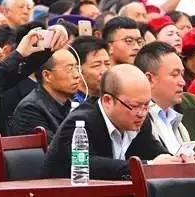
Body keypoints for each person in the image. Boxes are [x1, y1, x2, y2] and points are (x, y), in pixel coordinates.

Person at [43, 64, 184, 180]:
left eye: (146, 105)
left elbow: (155, 153)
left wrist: (176, 161)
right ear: (108, 101)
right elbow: (87, 165)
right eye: (134, 106)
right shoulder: (81, 123)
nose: (142, 113)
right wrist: (147, 165)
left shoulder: (140, 121)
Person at [8, 49, 80, 141]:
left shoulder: (72, 105)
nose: (77, 75)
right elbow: (55, 147)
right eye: (69, 69)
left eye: (77, 68)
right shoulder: (30, 109)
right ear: (47, 75)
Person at [134, 42, 190, 155]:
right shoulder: (136, 118)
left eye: (182, 74)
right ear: (149, 79)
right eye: (175, 74)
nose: (182, 82)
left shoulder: (176, 120)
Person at [71, 36, 111, 101]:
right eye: (96, 65)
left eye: (107, 64)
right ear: (78, 70)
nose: (104, 71)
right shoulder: (70, 103)